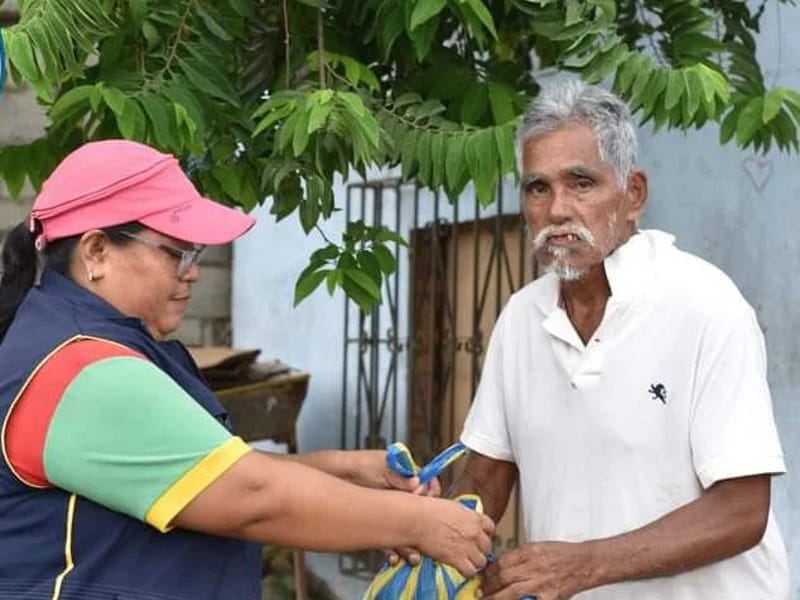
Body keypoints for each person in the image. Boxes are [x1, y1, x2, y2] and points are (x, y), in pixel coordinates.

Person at [0, 139, 493, 600]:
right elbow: (253, 497)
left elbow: (198, 477)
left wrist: (343, 473)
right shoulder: (82, 368)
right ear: (97, 252)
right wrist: (417, 522)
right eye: (177, 252)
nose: (192, 270)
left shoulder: (82, 341)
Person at [450, 79, 789, 599]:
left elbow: (743, 509)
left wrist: (582, 567)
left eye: (580, 183)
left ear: (633, 195)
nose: (557, 209)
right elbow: (487, 475)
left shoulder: (704, 305)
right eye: (538, 188)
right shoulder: (521, 319)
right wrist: (428, 530)